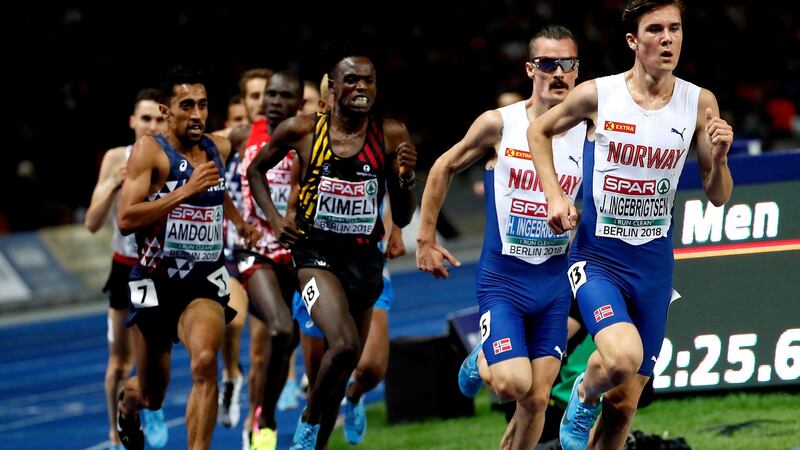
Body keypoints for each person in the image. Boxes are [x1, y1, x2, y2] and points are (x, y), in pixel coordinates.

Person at [527, 2, 733, 449]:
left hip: (655, 266)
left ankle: (595, 401)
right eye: (655, 29)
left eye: (674, 28)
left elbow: (718, 195)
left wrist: (718, 158)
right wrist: (554, 195)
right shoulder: (598, 95)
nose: (667, 38)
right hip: (599, 258)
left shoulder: (700, 102)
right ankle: (582, 393)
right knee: (621, 359)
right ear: (632, 41)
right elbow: (537, 132)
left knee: (622, 408)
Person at [417, 25, 586, 449]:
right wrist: (425, 239)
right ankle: (482, 358)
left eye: (569, 64)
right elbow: (442, 167)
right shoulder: (501, 123)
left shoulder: (590, 130)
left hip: (554, 284)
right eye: (549, 64)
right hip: (504, 282)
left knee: (537, 400)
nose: (560, 73)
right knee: (512, 384)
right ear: (531, 69)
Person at [247, 54, 417, 450]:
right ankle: (307, 423)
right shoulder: (302, 130)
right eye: (352, 80)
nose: (361, 87)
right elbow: (256, 171)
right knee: (343, 344)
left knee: (347, 367)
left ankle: (317, 440)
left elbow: (404, 216)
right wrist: (273, 219)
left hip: (365, 261)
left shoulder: (391, 135)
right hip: (315, 258)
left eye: (368, 81)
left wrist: (405, 179)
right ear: (333, 88)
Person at [115, 65, 259, 450]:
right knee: (152, 396)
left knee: (204, 362)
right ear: (165, 110)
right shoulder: (150, 151)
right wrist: (184, 191)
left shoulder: (217, 147)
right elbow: (126, 219)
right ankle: (128, 405)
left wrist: (238, 220)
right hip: (154, 282)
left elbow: (216, 190)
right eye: (186, 105)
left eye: (203, 105)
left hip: (202, 280)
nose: (197, 114)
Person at [85, 88, 169, 450]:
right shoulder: (115, 158)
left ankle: (151, 404)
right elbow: (92, 222)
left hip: (161, 269)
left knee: (153, 355)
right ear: (133, 121)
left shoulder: (174, 156)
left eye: (158, 119)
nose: (151, 125)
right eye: (145, 119)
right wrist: (114, 184)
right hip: (124, 268)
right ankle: (115, 432)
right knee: (119, 362)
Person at [230, 71, 304, 450]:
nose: (272, 101)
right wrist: (240, 222)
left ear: (298, 103)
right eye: (269, 94)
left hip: (297, 254)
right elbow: (200, 165)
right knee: (279, 329)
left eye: (283, 96)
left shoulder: (307, 137)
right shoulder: (243, 136)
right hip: (256, 252)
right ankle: (266, 418)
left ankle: (274, 408)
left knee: (292, 337)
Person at [215, 68, 273, 434]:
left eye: (266, 94)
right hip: (232, 252)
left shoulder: (287, 138)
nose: (261, 102)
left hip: (270, 255)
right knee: (232, 321)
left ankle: (254, 430)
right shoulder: (229, 140)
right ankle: (231, 375)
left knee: (262, 353)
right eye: (253, 96)